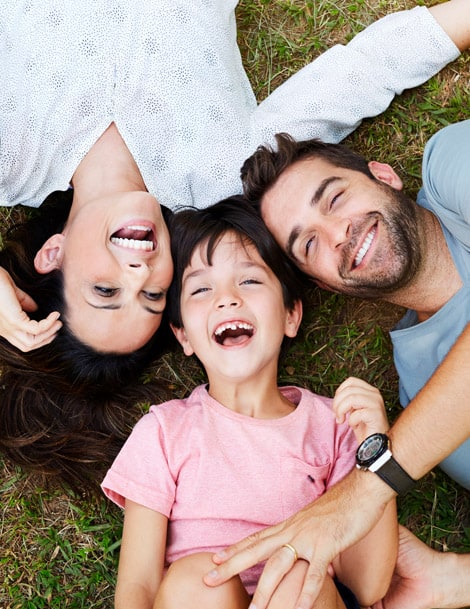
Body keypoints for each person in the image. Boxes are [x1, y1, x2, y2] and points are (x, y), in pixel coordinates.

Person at [0, 3, 466, 487]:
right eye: (153, 297)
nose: (138, 274)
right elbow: (360, 73)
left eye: (104, 290)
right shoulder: (222, 176)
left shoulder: (13, 161)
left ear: (53, 253)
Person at [201, 122, 470, 606]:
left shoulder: (452, 166)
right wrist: (452, 577)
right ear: (324, 284)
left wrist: (364, 493)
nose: (338, 234)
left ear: (384, 176)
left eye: (334, 198)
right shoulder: (419, 394)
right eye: (309, 245)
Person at [101, 197, 398, 609]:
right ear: (184, 335)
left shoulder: (336, 425)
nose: (227, 299)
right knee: (196, 580)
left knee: (294, 577)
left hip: (302, 600)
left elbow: (367, 584)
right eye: (202, 289)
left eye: (250, 281)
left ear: (291, 315)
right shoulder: (163, 431)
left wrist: (376, 450)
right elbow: (139, 588)